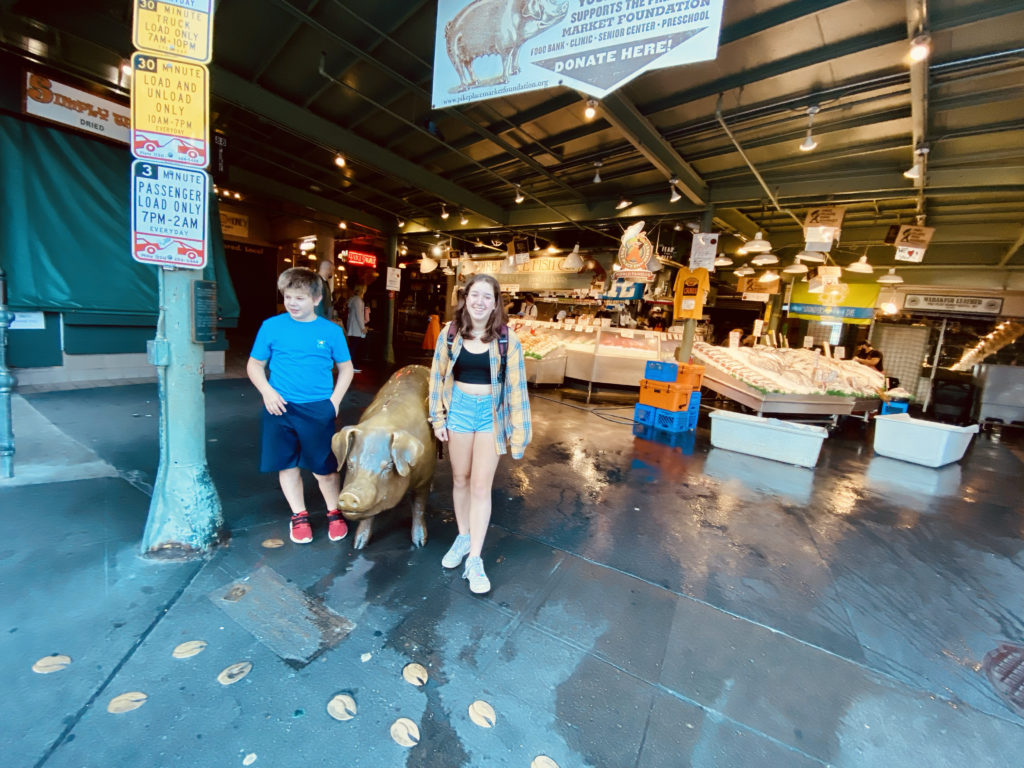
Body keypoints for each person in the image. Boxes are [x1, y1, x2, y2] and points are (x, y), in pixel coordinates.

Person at [429, 273, 532, 594]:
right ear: (465, 297)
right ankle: (463, 536)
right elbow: (436, 377)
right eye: (475, 294)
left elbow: (517, 389)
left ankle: (475, 557)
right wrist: (437, 418)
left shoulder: (507, 339)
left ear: (496, 303)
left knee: (480, 485)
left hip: (491, 414)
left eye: (488, 296)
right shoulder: (449, 334)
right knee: (459, 479)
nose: (480, 301)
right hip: (458, 408)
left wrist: (519, 433)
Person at [246, 267, 355, 545]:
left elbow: (346, 369)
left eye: (300, 298)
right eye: (288, 297)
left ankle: (334, 511)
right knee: (287, 464)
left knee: (324, 468)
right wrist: (267, 392)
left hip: (318, 408)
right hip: (279, 407)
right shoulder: (271, 326)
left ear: (317, 299)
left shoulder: (331, 331)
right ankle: (299, 515)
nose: (293, 303)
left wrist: (334, 403)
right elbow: (255, 365)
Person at [346, 284, 367, 372]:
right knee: (355, 347)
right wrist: (363, 327)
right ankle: (353, 366)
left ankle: (351, 365)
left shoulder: (353, 299)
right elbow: (359, 315)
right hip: (356, 327)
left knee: (353, 346)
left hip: (352, 326)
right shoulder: (358, 300)